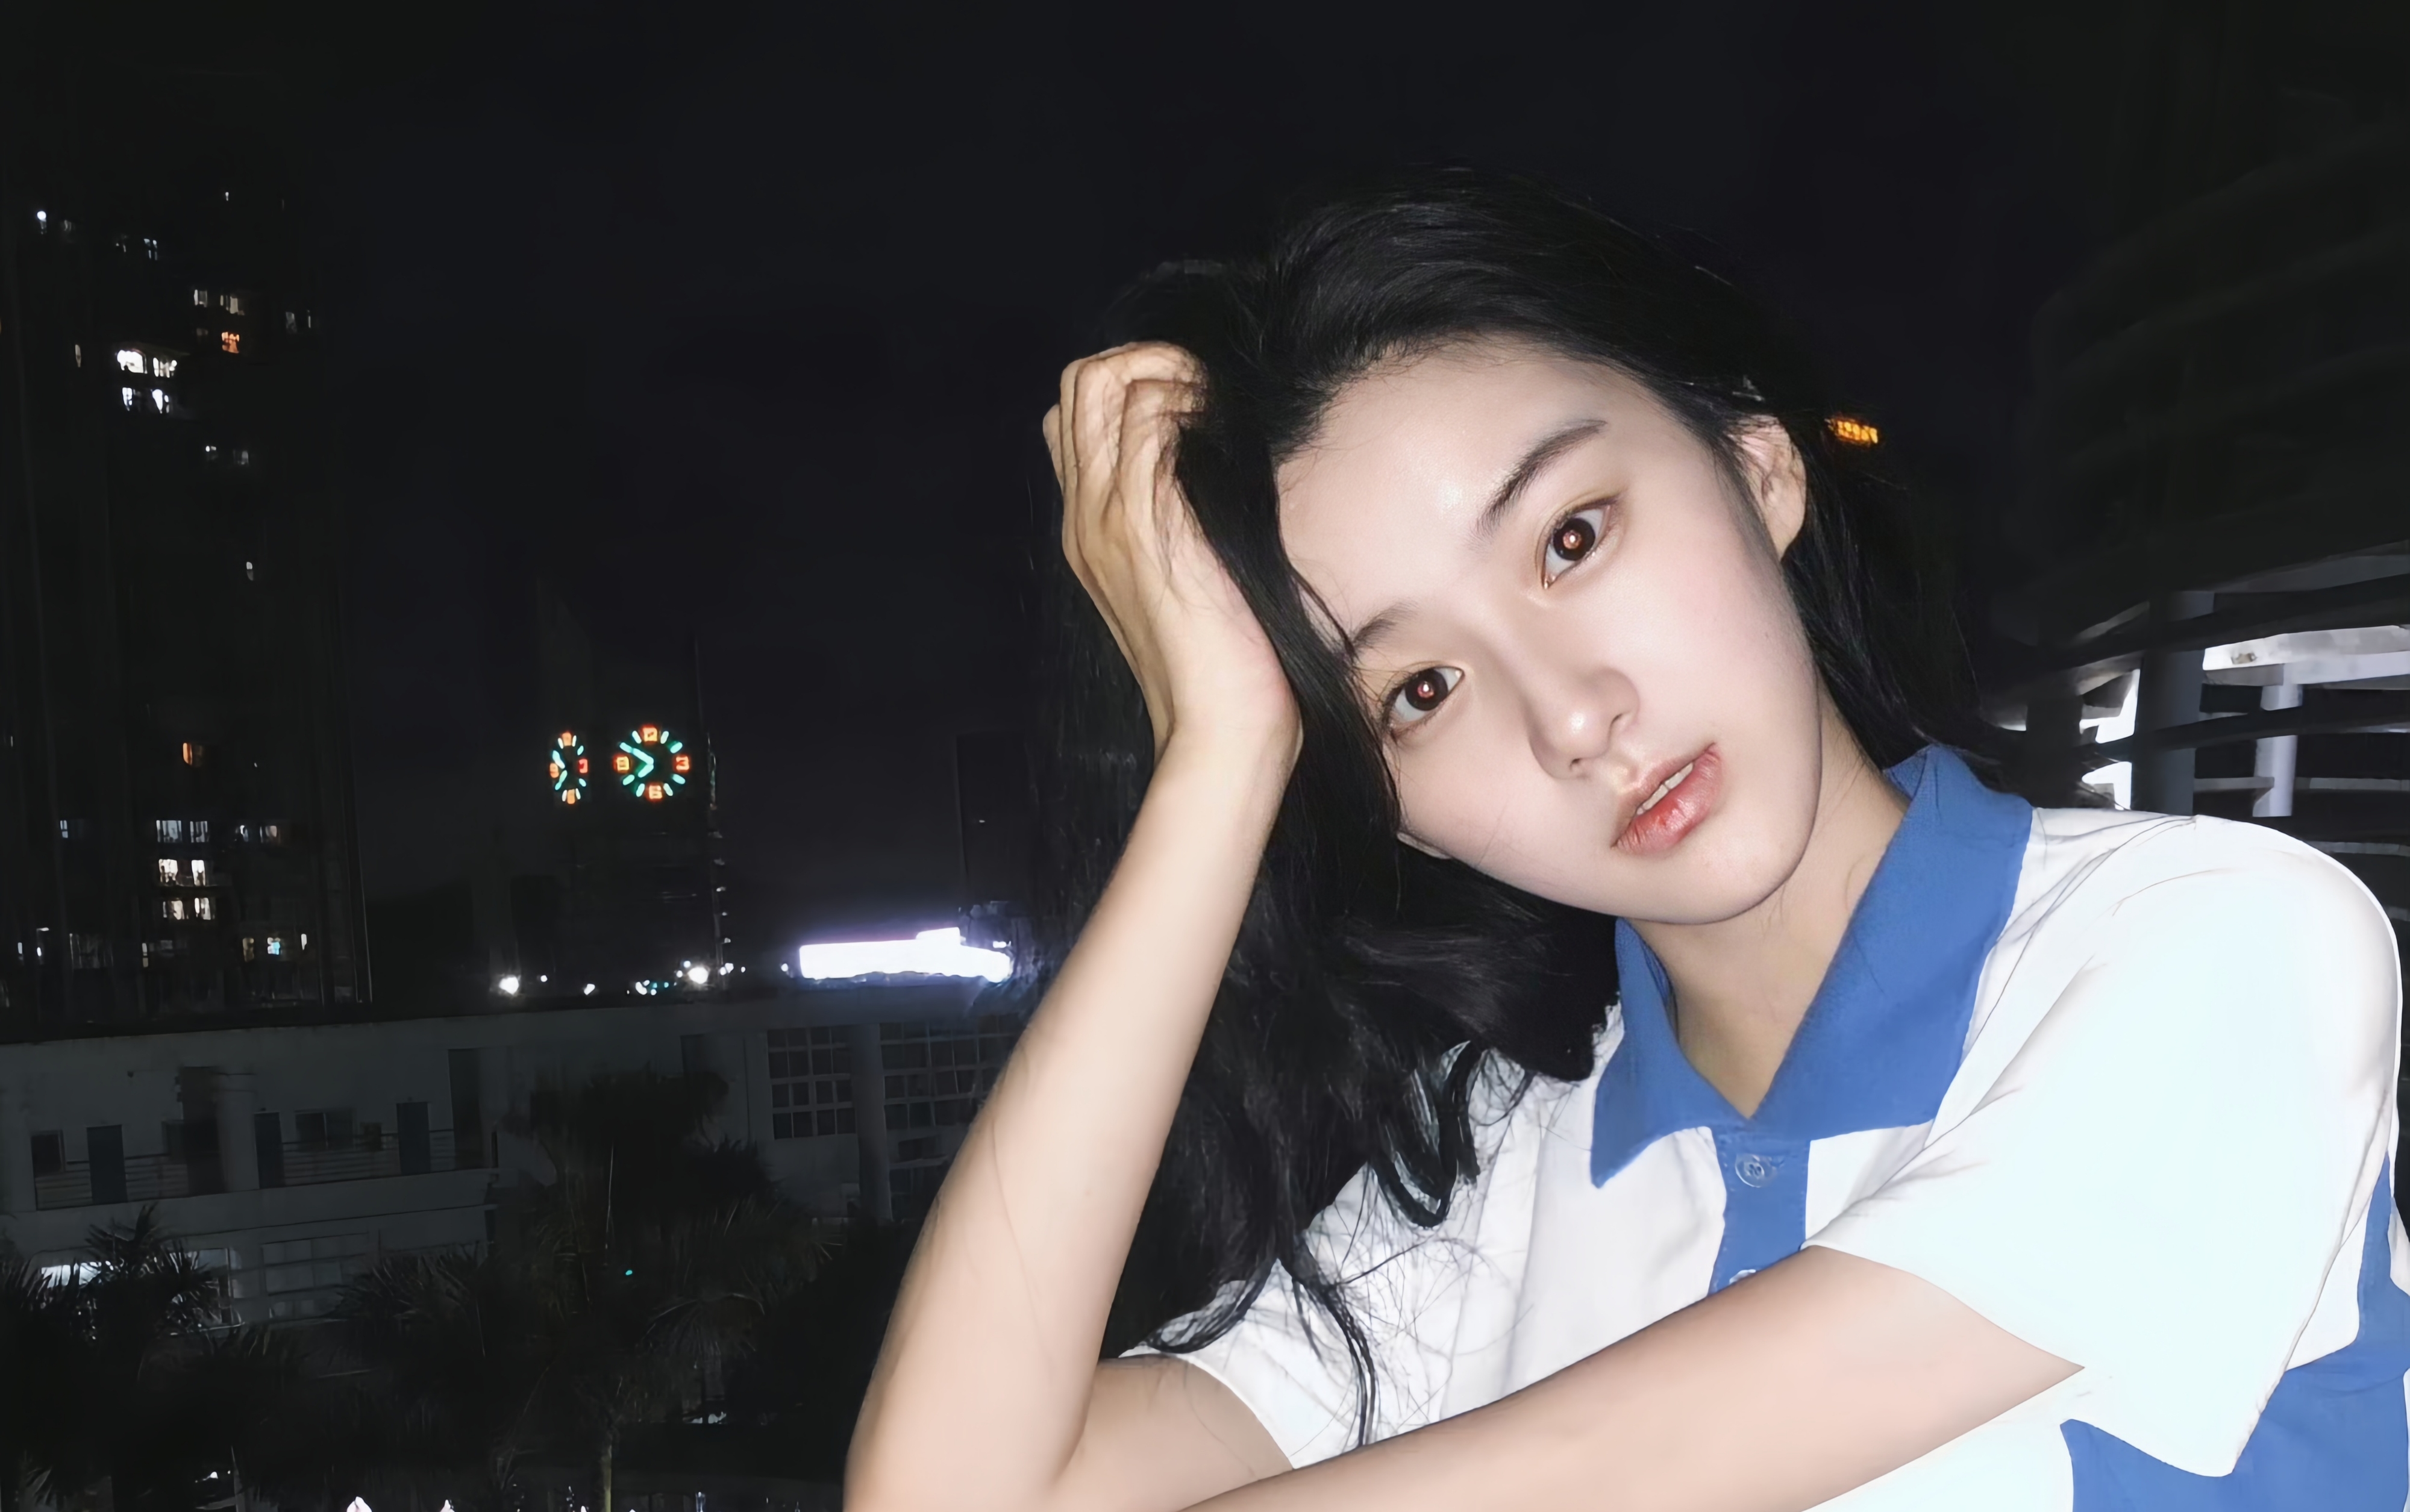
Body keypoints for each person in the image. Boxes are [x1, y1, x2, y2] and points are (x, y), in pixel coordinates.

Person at [845, 175, 2405, 1511]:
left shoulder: (2216, 947)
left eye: (1571, 539)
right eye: (1419, 693)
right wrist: (1223, 757)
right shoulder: (1496, 1177)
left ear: (1761, 468)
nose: (1576, 717)